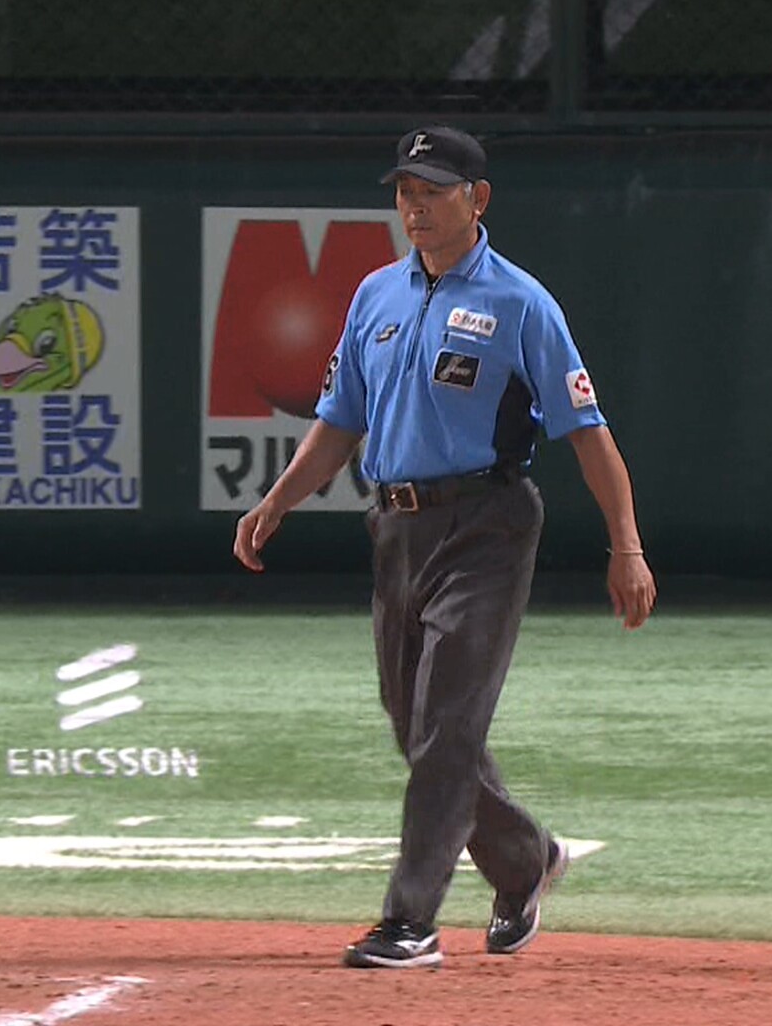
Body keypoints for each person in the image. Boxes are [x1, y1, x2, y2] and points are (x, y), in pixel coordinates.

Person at [233, 125, 656, 969]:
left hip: (486, 526)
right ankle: (524, 859)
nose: (415, 206)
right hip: (394, 528)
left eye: (433, 190)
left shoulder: (520, 303)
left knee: (448, 728)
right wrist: (277, 500)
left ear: (478, 198)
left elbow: (587, 430)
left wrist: (627, 546)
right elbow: (339, 421)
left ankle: (410, 922)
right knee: (417, 726)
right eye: (405, 191)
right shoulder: (375, 295)